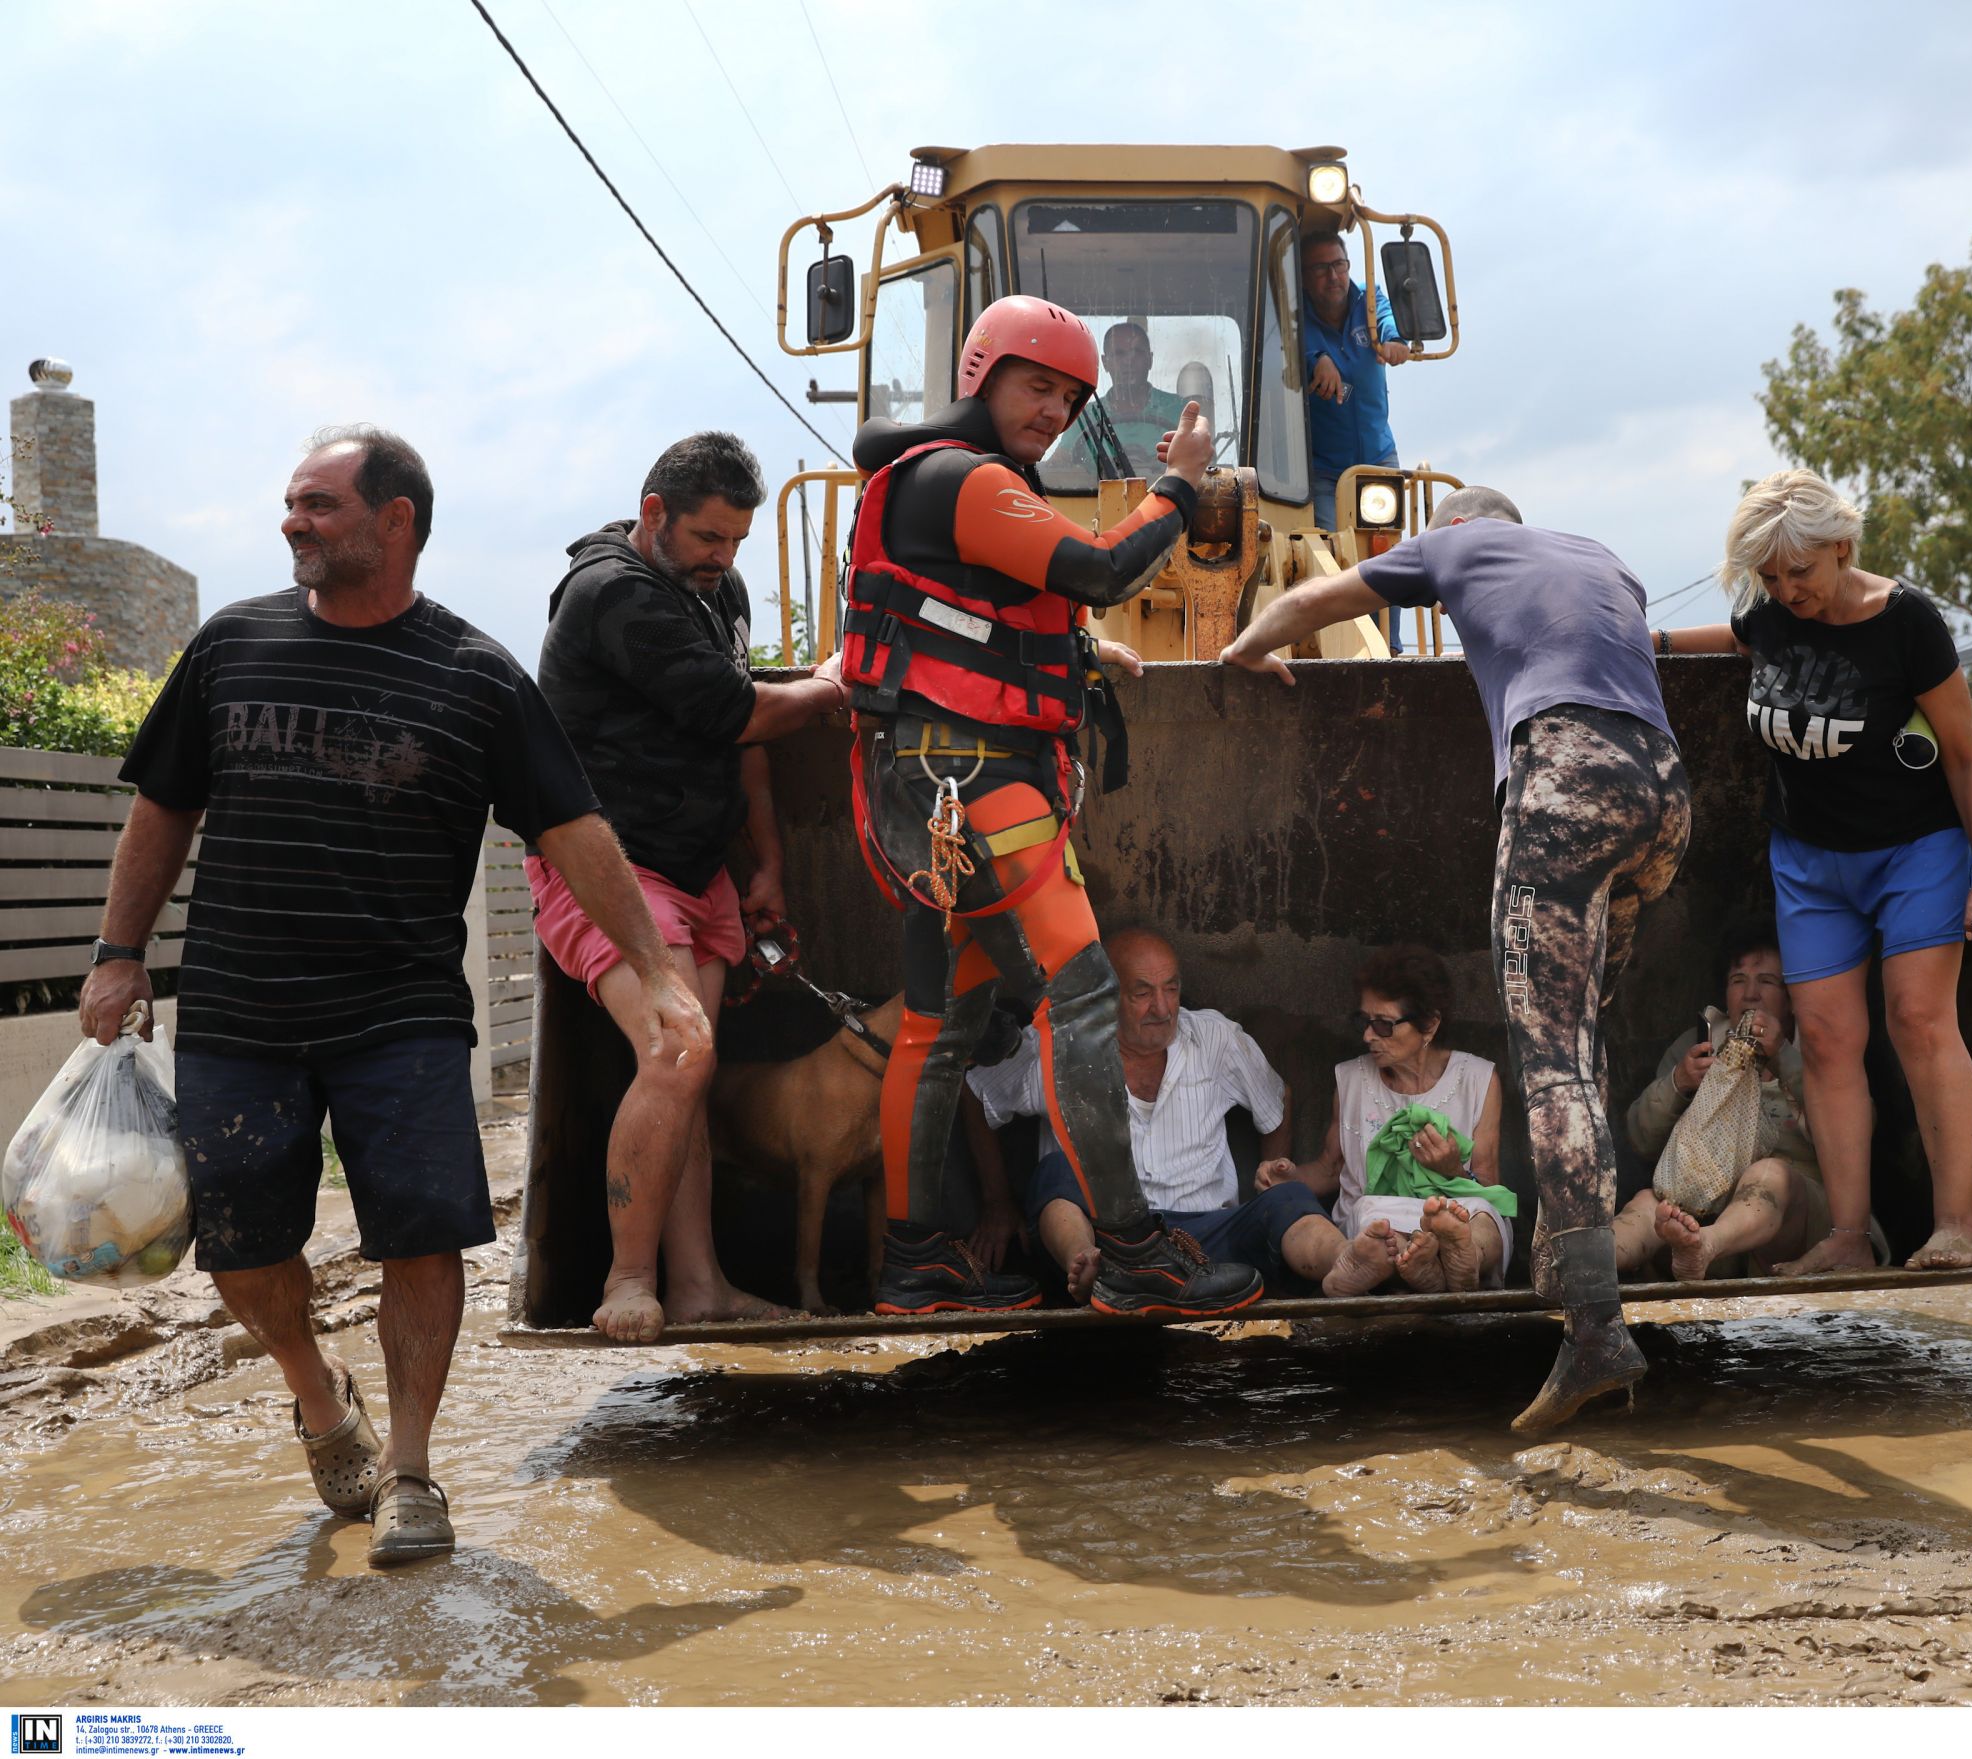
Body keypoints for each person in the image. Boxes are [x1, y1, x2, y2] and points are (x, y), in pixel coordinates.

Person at [77, 427, 711, 1567]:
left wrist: (657, 971)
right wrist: (119, 951)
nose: (294, 521)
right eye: (291, 502)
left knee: (423, 1235)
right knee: (241, 1249)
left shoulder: (476, 675)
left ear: (396, 519)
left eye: (319, 503)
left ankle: (411, 1471)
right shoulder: (232, 646)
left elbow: (573, 830)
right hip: (240, 1004)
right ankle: (321, 1398)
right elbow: (163, 804)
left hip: (400, 1012)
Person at [1220, 486, 1690, 1432]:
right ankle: (1567, 1252)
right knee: (1584, 1027)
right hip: (1663, 794)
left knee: (1549, 1059)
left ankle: (1595, 1328)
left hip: (1565, 782)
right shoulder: (1602, 556)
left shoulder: (1456, 546)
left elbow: (1316, 599)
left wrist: (1248, 649)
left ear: (1457, 529)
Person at [840, 292, 1262, 1318]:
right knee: (1081, 999)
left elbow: (975, 622)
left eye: (1071, 399)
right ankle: (1133, 1252)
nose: (1053, 412)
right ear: (981, 376)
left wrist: (1069, 653)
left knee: (937, 1025)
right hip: (977, 785)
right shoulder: (963, 477)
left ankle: (915, 1261)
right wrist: (1180, 484)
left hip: (931, 791)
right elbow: (1104, 568)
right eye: (1036, 387)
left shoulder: (944, 483)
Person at [1657, 468, 1972, 1275]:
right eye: (1770, 576)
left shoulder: (1906, 621)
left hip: (1914, 850)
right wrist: (1653, 644)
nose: (1788, 590)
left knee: (1919, 1020)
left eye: (1801, 571)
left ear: (1843, 548)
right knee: (1823, 1037)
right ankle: (1849, 1237)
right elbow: (1742, 638)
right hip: (1811, 863)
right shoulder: (1773, 613)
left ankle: (1957, 1226)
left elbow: (1965, 755)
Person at [534, 431, 851, 1343]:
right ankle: (628, 1279)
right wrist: (832, 685)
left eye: (738, 540)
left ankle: (701, 1285)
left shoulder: (720, 591)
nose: (725, 557)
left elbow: (738, 742)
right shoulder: (614, 592)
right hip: (611, 866)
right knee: (677, 1053)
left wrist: (766, 861)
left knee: (687, 1075)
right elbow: (740, 710)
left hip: (697, 868)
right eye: (710, 537)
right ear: (654, 514)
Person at [966, 928, 1401, 1300]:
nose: (1162, 1008)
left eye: (1171, 989)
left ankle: (1345, 1262)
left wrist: (1270, 1172)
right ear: (1105, 995)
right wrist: (996, 1201)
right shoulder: (1057, 1046)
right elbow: (974, 1091)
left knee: (1286, 1199)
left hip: (1207, 1239)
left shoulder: (1214, 1038)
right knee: (1058, 1171)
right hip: (1108, 1236)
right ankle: (1085, 1268)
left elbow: (1277, 1098)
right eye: (1142, 993)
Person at [1611, 919, 1888, 1279]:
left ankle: (1705, 1246)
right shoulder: (1697, 1045)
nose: (1750, 995)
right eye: (1738, 980)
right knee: (1650, 1204)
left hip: (1799, 1224)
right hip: (1705, 1212)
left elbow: (1859, 1133)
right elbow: (1640, 1140)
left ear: (1792, 998)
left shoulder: (1820, 1049)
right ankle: (1588, 1268)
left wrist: (1783, 1058)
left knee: (1768, 1175)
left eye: (1768, 981)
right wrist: (1678, 1083)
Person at [1254, 944, 1510, 1292]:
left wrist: (1452, 1169)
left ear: (1429, 1025)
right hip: (1379, 1219)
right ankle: (1423, 1267)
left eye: (1383, 1025)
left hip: (1457, 1211)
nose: (1368, 1035)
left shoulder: (1478, 1079)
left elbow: (1489, 1187)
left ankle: (1465, 1258)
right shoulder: (1351, 1080)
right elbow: (1330, 1169)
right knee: (1373, 1218)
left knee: (1482, 1215)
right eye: (1364, 1021)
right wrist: (1288, 1178)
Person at [1300, 230, 1411, 652]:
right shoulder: (1295, 314)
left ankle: (1389, 647)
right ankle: (1343, 648)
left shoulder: (1368, 299)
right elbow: (1293, 343)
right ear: (1304, 277)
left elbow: (1387, 319)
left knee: (1385, 554)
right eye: (1321, 268)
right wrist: (1316, 359)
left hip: (1377, 457)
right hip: (1325, 467)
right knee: (1334, 553)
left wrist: (1395, 340)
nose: (1333, 276)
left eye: (1339, 265)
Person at [1079, 321, 1190, 479]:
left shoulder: (1181, 411)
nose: (1129, 360)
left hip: (1170, 494)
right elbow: (1059, 464)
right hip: (1092, 495)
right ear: (1105, 362)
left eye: (1137, 352)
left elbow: (1202, 464)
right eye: (1119, 353)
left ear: (1150, 359)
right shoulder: (1085, 415)